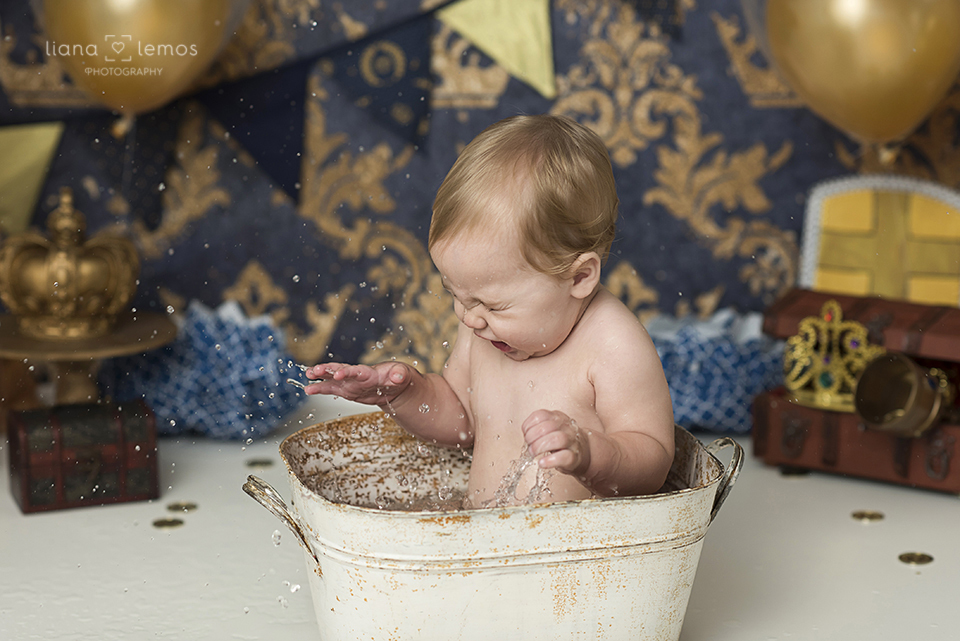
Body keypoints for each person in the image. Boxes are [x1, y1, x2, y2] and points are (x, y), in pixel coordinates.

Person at [305, 114, 674, 507]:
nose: (469, 318)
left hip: (577, 544)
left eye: (493, 304)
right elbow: (460, 422)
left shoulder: (614, 344)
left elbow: (652, 460)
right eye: (457, 295)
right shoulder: (485, 328)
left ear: (579, 277)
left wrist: (591, 454)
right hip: (482, 536)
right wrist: (403, 394)